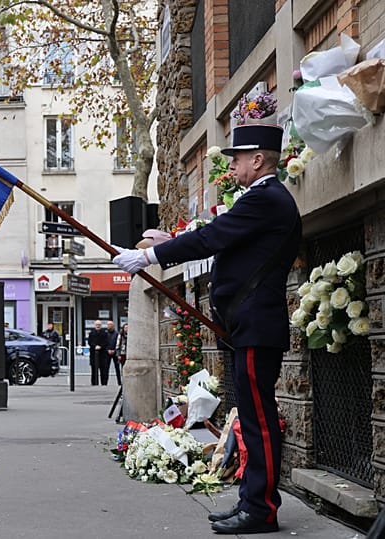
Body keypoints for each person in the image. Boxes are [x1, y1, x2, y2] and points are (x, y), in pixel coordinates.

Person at [112, 124, 301, 535]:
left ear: (258, 160)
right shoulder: (260, 200)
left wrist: (151, 257)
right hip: (246, 325)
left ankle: (262, 508)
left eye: (237, 158)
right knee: (251, 417)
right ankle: (253, 502)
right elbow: (221, 237)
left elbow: (213, 237)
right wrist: (172, 240)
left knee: (258, 419)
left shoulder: (267, 199)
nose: (231, 165)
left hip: (255, 326)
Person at [87, 320, 108, 386]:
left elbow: (106, 342)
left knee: (103, 370)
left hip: (102, 354)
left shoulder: (104, 333)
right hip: (93, 354)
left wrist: (100, 346)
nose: (98, 326)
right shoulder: (91, 333)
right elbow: (90, 342)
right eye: (97, 324)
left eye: (99, 324)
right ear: (94, 325)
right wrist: (95, 346)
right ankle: (94, 383)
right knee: (94, 370)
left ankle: (104, 383)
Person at [105, 321, 122, 386]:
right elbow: (104, 343)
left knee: (117, 368)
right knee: (106, 368)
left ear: (113, 326)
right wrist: (108, 350)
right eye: (108, 325)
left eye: (111, 325)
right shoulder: (106, 334)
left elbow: (118, 343)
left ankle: (119, 382)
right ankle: (105, 383)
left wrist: (115, 350)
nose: (110, 326)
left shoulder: (117, 334)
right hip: (107, 353)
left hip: (115, 353)